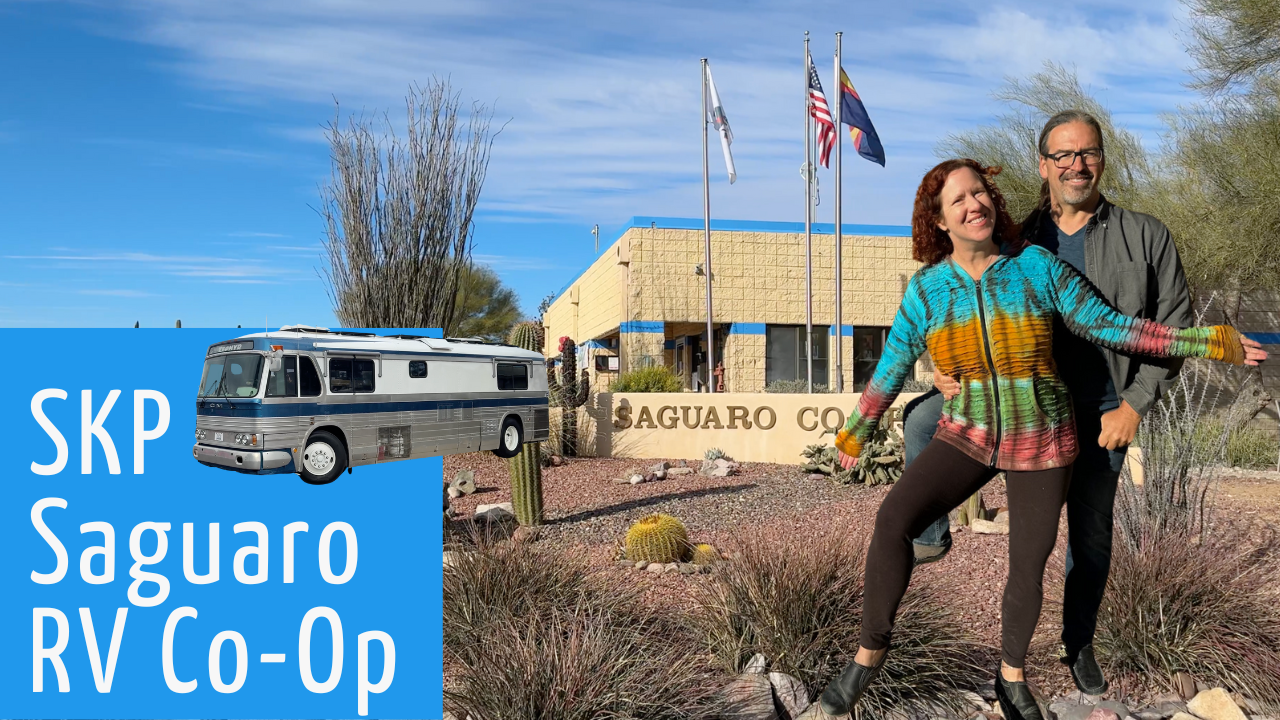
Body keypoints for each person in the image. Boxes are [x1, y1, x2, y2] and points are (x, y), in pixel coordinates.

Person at [817, 158, 1266, 720]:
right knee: (893, 518)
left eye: (979, 193)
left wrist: (1208, 341)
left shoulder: (1035, 267)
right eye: (957, 200)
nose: (973, 204)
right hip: (969, 430)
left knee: (1027, 565)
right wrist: (857, 431)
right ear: (938, 220)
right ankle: (866, 657)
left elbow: (1115, 326)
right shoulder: (927, 290)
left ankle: (1011, 677)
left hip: (1042, 435)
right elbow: (890, 367)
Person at [906, 110, 1194, 695]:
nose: (1075, 166)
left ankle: (1077, 641)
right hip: (1024, 407)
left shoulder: (1146, 235)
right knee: (919, 418)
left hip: (1103, 408)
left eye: (1086, 153)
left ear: (1102, 160)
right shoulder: (1016, 238)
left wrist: (1135, 406)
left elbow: (1172, 326)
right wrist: (937, 366)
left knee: (1089, 536)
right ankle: (930, 534)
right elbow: (948, 299)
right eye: (1062, 156)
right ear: (1044, 165)